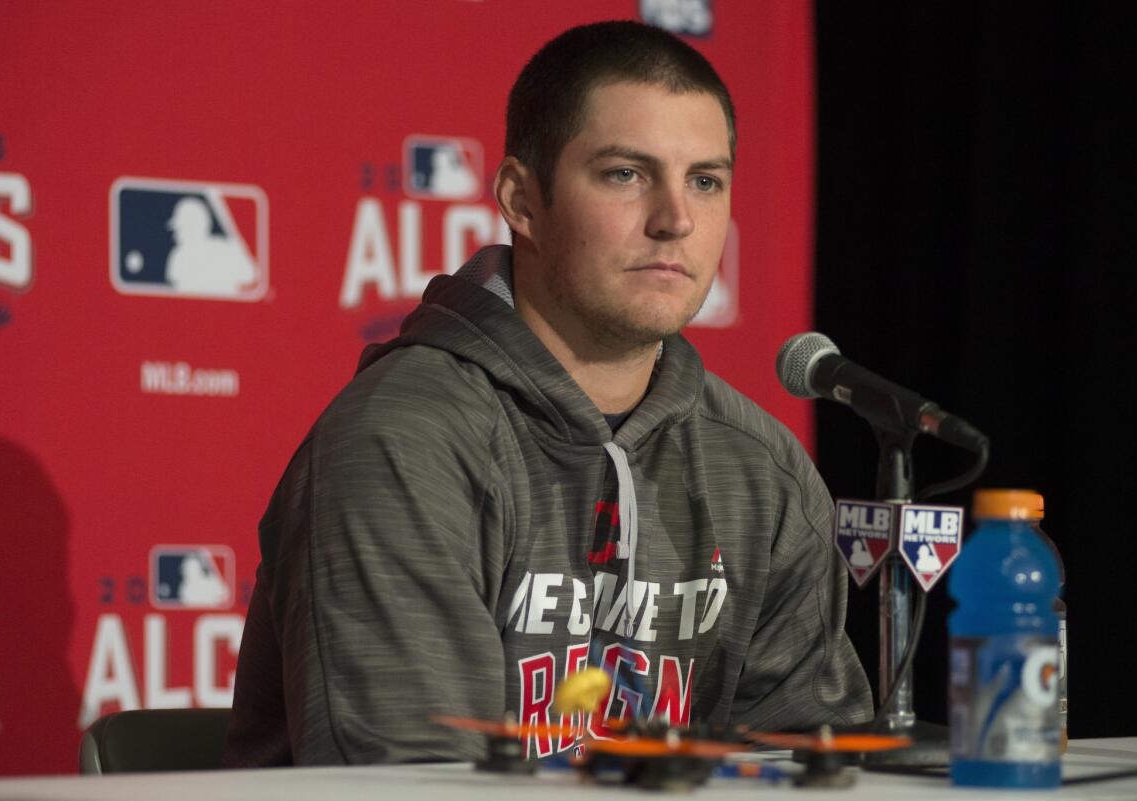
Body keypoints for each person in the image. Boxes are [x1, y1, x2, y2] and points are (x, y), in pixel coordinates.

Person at [223, 20, 872, 767]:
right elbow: (411, 779)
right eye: (625, 174)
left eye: (705, 179)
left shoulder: (762, 470)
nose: (677, 220)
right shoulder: (405, 441)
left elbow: (815, 768)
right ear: (522, 200)